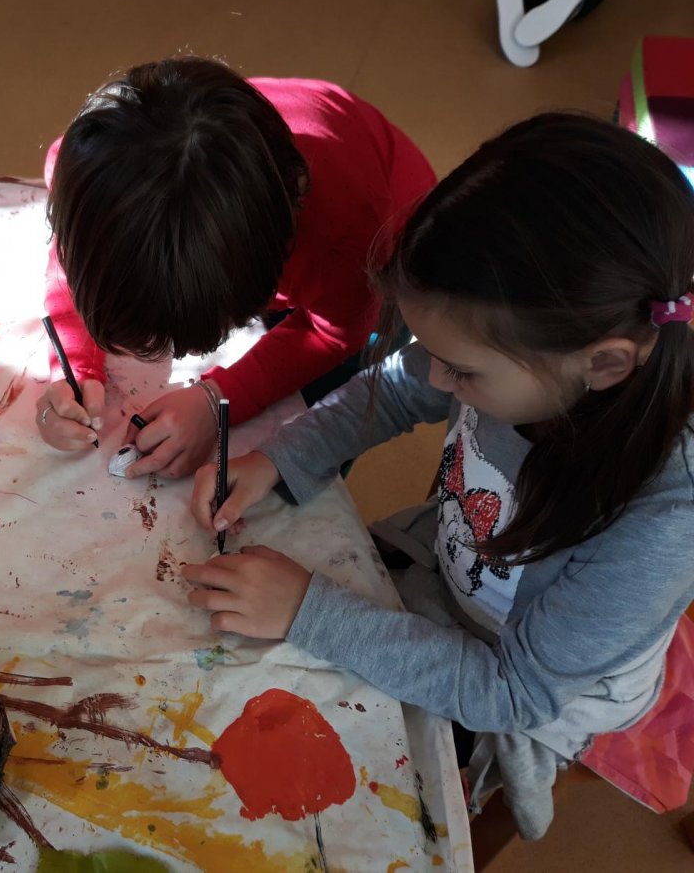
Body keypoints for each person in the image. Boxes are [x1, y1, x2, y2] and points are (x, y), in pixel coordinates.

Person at [184, 113, 694, 838]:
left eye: (462, 372)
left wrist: (308, 612)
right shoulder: (516, 353)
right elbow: (397, 388)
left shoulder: (663, 521)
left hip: (529, 691)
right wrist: (280, 458)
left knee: (382, 807)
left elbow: (514, 693)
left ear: (604, 364)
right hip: (452, 568)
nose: (437, 379)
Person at [35, 56, 436, 478]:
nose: (179, 354)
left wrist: (218, 399)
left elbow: (332, 335)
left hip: (392, 261)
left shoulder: (350, 235)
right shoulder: (85, 166)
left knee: (315, 438)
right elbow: (76, 256)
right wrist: (73, 367)